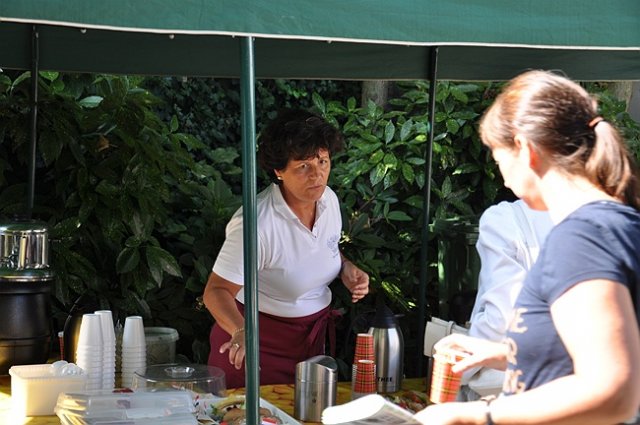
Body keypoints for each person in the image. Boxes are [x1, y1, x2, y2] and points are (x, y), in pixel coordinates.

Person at [415, 70, 640, 425]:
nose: (502, 175)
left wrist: (476, 415)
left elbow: (614, 391)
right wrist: (502, 353)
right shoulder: (615, 221)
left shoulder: (583, 236)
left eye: (497, 157)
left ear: (524, 148)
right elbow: (593, 351)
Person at [203, 109, 370, 389]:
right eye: (303, 166)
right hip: (254, 347)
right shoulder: (257, 225)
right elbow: (215, 291)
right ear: (279, 171)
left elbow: (319, 247)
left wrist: (344, 266)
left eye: (323, 161)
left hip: (309, 347)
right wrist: (242, 331)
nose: (317, 175)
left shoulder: (328, 200)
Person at [459, 199, 553, 401]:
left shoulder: (505, 218)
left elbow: (501, 318)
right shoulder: (614, 214)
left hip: (521, 392)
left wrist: (459, 372)